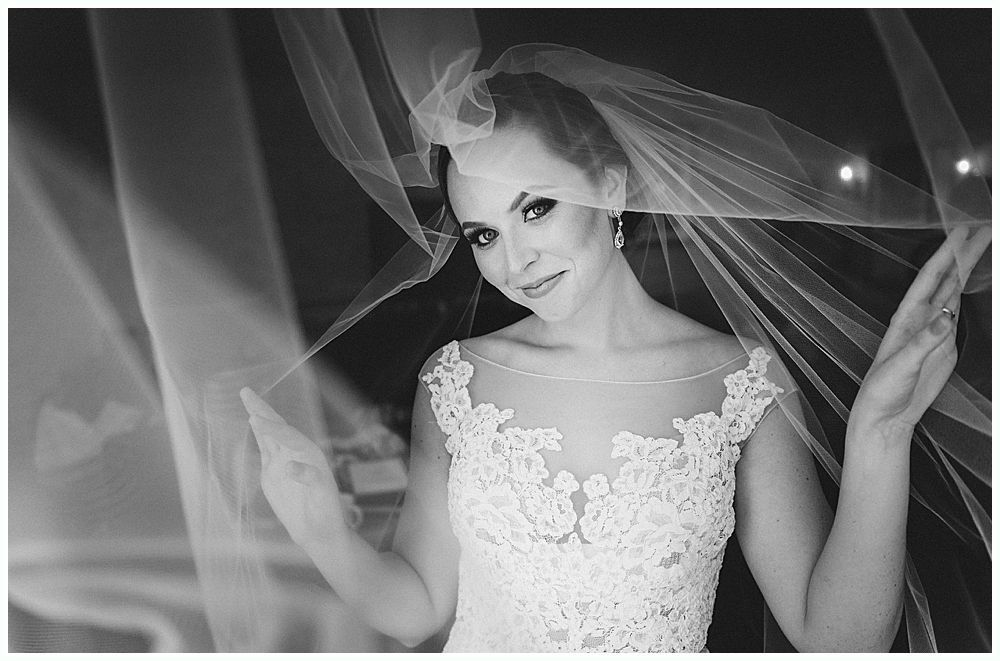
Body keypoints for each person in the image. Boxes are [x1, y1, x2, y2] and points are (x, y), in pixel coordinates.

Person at [241, 63, 990, 651]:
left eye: (536, 208)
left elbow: (837, 640)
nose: (516, 259)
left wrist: (881, 435)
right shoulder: (455, 382)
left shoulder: (742, 384)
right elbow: (415, 608)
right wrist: (320, 528)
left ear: (610, 186)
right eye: (484, 235)